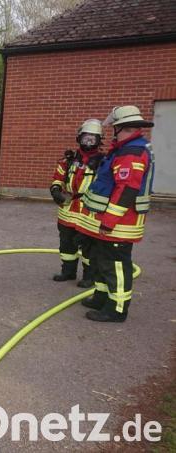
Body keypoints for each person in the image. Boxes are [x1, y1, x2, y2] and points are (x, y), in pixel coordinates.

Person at [77, 106, 154, 322]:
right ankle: (101, 297)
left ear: (121, 128)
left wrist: (109, 221)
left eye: (114, 128)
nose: (112, 132)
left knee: (116, 266)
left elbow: (126, 189)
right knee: (103, 261)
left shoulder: (132, 152)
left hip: (120, 224)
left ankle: (117, 309)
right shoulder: (126, 148)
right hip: (112, 222)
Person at [49, 119, 104, 287]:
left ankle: (89, 276)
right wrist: (56, 190)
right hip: (68, 210)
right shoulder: (69, 160)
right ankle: (68, 272)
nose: (88, 142)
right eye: (86, 138)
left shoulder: (104, 163)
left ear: (99, 141)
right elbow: (58, 178)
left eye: (93, 139)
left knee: (89, 247)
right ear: (79, 138)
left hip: (89, 211)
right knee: (66, 243)